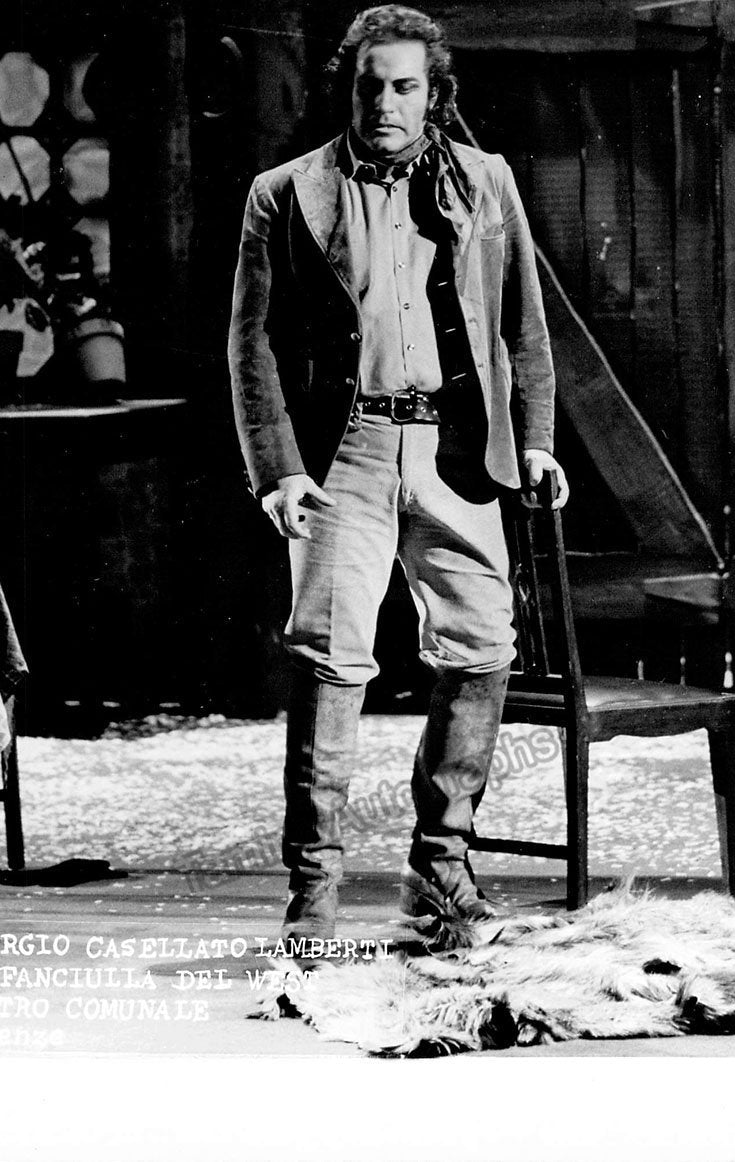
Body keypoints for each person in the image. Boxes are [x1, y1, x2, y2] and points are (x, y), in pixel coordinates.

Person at [228, 4, 568, 944]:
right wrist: (279, 470)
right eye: (369, 85)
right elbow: (252, 345)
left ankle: (441, 872)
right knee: (329, 657)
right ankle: (314, 897)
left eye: (405, 86)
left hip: (459, 453)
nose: (385, 103)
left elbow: (524, 325)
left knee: (481, 647)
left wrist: (536, 439)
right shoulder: (286, 193)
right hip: (347, 454)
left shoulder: (485, 182)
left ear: (434, 93)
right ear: (347, 89)